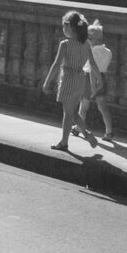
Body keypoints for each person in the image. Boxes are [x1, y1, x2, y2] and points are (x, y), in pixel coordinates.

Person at [42, 10, 102, 151]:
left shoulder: (65, 44)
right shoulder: (86, 44)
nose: (63, 29)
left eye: (64, 26)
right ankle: (86, 133)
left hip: (68, 79)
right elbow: (93, 64)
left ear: (71, 28)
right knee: (72, 111)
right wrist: (99, 79)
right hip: (80, 80)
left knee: (67, 114)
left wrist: (47, 81)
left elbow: (56, 64)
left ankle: (64, 142)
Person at [74, 20, 115, 141]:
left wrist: (92, 86)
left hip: (89, 78)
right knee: (103, 107)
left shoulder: (91, 51)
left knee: (84, 105)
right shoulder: (108, 52)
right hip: (102, 77)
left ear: (91, 39)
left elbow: (92, 68)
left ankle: (78, 127)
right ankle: (109, 131)